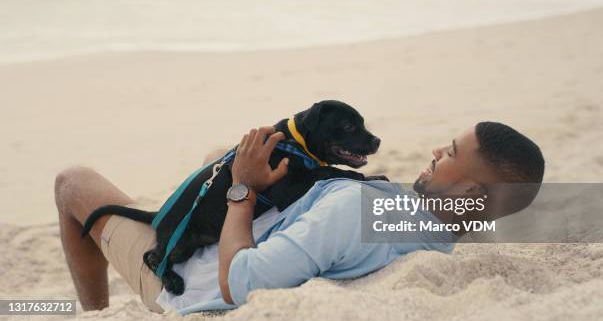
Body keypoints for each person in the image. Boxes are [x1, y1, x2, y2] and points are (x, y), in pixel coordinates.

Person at [55, 121, 544, 315]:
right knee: (218, 155)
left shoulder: (360, 211)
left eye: (453, 152)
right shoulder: (442, 238)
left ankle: (95, 313)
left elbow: (238, 283)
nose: (438, 150)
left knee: (72, 183)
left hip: (190, 286)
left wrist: (243, 193)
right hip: (286, 238)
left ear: (469, 189)